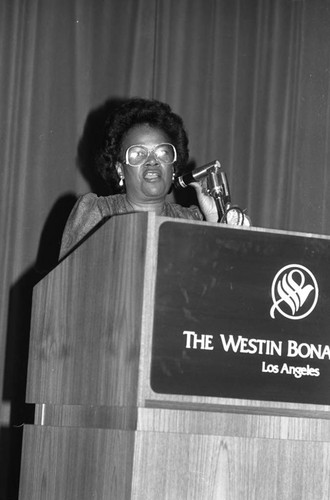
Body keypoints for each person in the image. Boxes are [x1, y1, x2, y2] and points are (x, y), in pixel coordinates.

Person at [59, 98, 226, 258]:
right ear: (120, 169)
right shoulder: (98, 213)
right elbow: (69, 280)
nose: (152, 160)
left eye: (162, 152)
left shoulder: (190, 220)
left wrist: (216, 218)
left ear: (173, 167)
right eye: (138, 153)